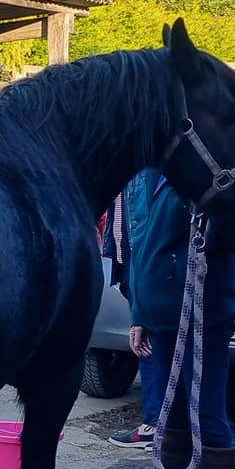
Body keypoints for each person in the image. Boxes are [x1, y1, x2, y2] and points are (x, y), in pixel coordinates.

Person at [117, 171, 235, 469]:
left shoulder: (202, 172)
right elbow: (141, 247)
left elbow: (231, 236)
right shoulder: (140, 177)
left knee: (205, 413)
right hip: (161, 311)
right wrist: (140, 313)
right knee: (170, 411)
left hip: (203, 309)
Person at [102, 167, 160, 447]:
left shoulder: (148, 168)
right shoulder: (129, 161)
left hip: (143, 262)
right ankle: (159, 423)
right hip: (129, 262)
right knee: (146, 340)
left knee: (147, 339)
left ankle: (155, 426)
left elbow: (146, 225)